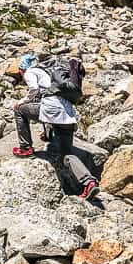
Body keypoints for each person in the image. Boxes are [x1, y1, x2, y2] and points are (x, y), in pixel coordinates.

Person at [12, 53, 99, 199]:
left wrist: (20, 101)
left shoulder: (30, 72)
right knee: (67, 154)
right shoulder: (49, 74)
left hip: (52, 110)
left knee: (20, 110)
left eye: (20, 70)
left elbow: (34, 90)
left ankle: (25, 148)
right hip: (68, 113)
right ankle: (88, 182)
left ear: (22, 68)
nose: (20, 73)